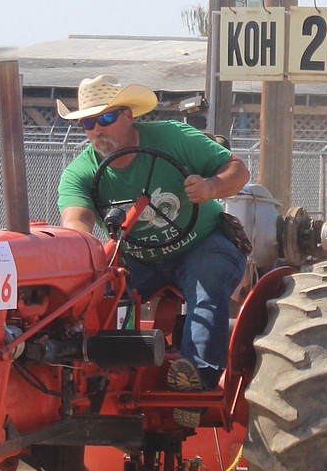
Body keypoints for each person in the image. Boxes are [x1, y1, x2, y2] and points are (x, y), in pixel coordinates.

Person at [57, 76, 250, 389]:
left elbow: (238, 170)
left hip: (201, 245)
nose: (97, 131)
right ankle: (109, 377)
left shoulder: (173, 138)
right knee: (101, 293)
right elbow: (76, 222)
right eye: (88, 123)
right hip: (137, 258)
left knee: (208, 282)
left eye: (105, 118)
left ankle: (196, 379)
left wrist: (211, 186)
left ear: (128, 116)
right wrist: (83, 249)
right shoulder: (81, 173)